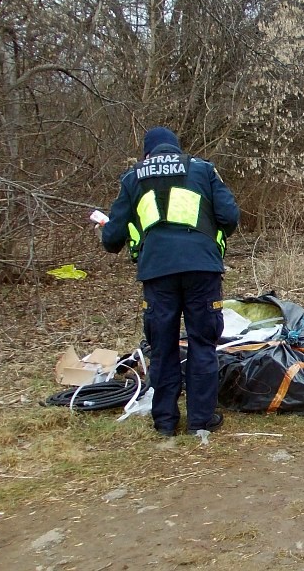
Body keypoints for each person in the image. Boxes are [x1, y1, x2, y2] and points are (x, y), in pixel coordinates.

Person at [101, 126, 240, 436]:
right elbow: (230, 217)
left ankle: (165, 422)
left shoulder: (133, 177)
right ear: (176, 149)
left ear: (147, 153)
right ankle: (200, 421)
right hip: (201, 267)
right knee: (202, 342)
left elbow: (112, 239)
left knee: (162, 346)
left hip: (157, 271)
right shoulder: (202, 169)